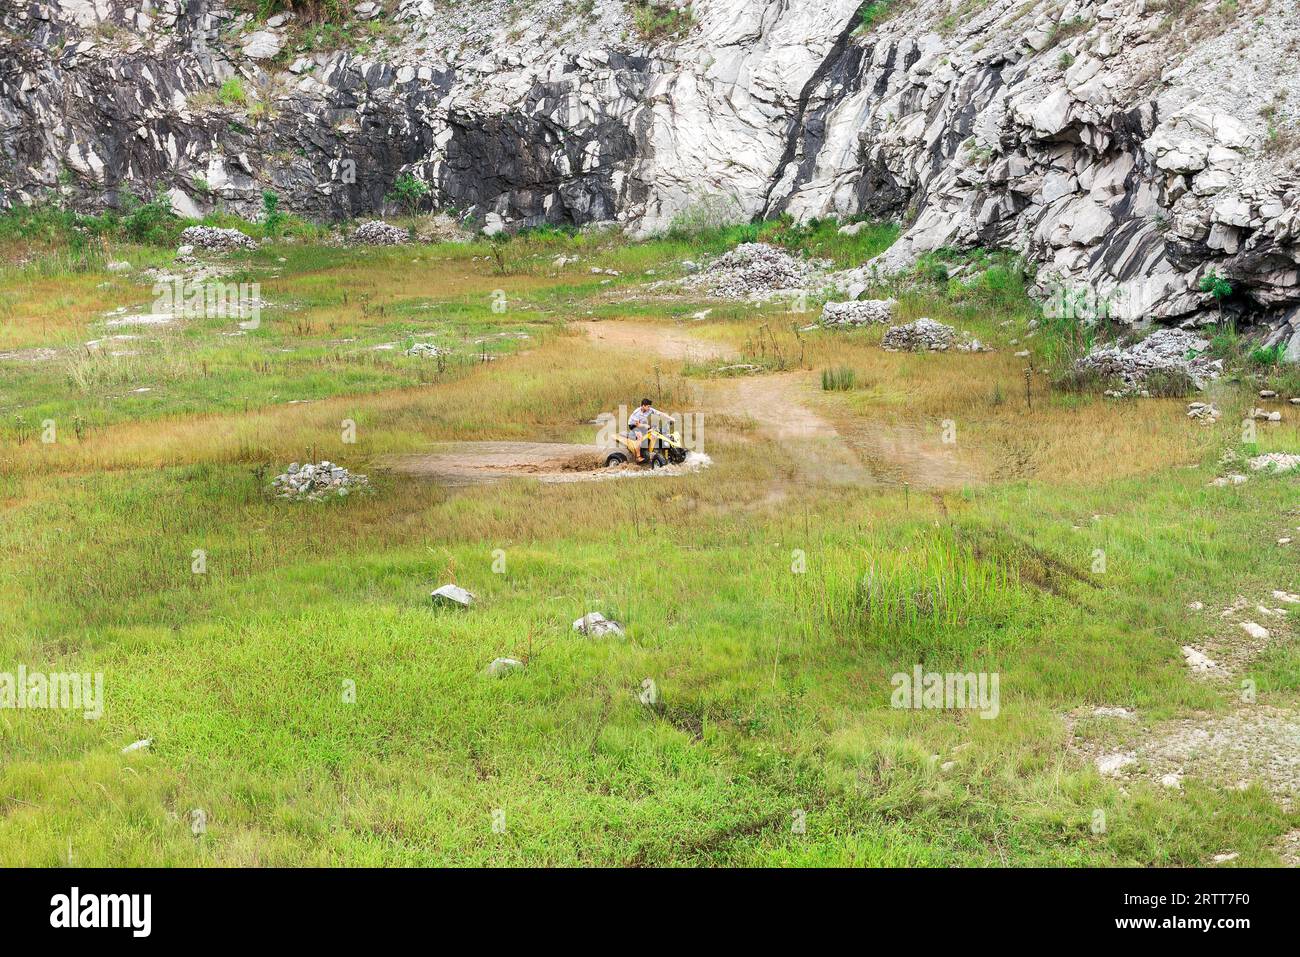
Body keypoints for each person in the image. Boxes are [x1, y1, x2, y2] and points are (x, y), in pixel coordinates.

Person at [627, 398, 672, 463]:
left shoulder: (649, 410)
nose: (649, 408)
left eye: (649, 406)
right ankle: (638, 457)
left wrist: (670, 418)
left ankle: (655, 449)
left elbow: (659, 413)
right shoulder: (637, 412)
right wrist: (645, 426)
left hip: (642, 424)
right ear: (643, 406)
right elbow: (638, 425)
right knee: (639, 436)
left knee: (655, 430)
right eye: (648, 406)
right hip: (633, 425)